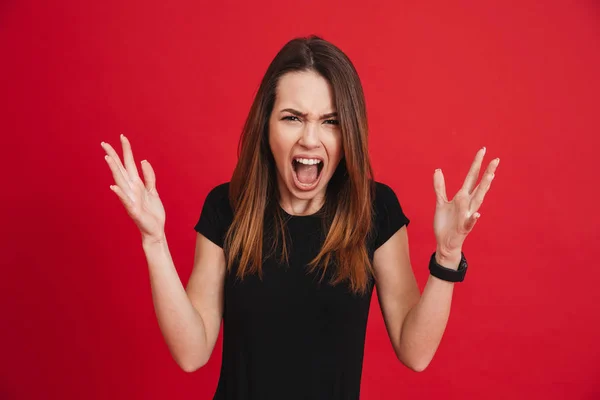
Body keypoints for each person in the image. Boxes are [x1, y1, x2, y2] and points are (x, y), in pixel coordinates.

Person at [100, 35, 499, 400]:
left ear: (350, 134)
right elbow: (191, 352)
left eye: (330, 121)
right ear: (266, 126)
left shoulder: (374, 210)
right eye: (293, 117)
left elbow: (416, 352)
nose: (310, 138)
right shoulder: (228, 207)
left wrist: (447, 257)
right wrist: (154, 241)